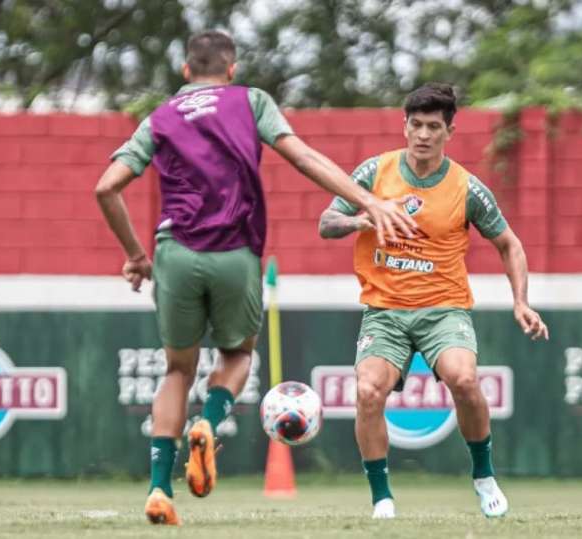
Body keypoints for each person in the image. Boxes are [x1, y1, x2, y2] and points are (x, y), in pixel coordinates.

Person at [94, 30, 416, 526]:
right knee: (238, 354)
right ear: (231, 68)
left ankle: (160, 489)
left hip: (174, 252)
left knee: (178, 371)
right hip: (235, 253)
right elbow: (303, 156)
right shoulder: (251, 101)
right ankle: (208, 421)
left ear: (185, 71)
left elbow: (106, 187)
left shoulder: (159, 117)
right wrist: (369, 199)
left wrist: (136, 255)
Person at [318, 82, 549, 519]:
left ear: (450, 132)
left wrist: (521, 301)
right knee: (368, 391)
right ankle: (382, 498)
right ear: (404, 126)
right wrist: (362, 218)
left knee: (464, 380)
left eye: (434, 127)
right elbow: (326, 223)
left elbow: (510, 244)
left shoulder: (467, 188)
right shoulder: (374, 172)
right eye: (417, 125)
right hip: (384, 311)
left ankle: (483, 476)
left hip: (444, 308)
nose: (424, 134)